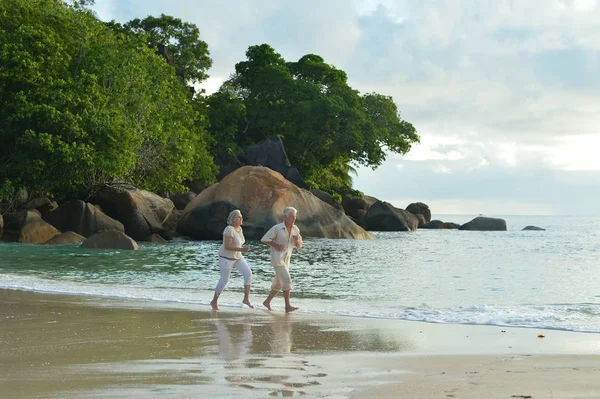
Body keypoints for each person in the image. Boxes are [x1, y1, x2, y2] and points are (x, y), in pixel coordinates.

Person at [261, 206, 303, 313]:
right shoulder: (277, 228)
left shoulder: (295, 229)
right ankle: (287, 306)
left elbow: (299, 245)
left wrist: (297, 240)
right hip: (277, 259)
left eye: (295, 217)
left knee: (278, 284)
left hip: (287, 260)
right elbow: (264, 239)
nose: (294, 219)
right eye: (292, 217)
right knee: (287, 280)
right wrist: (276, 245)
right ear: (285, 217)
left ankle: (267, 302)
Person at [210, 209, 253, 310]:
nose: (241, 218)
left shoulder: (240, 228)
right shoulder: (229, 229)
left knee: (248, 274)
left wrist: (242, 249)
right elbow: (227, 246)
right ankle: (214, 301)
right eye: (239, 217)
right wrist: (242, 249)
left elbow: (238, 243)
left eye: (241, 216)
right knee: (224, 280)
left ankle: (246, 299)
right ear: (233, 219)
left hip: (238, 257)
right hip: (226, 258)